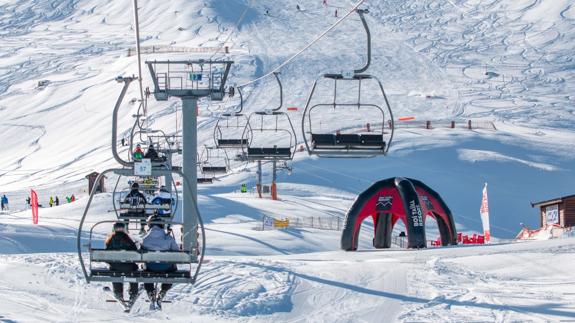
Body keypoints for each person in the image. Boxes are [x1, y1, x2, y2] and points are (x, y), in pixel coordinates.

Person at [142, 215, 179, 308]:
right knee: (172, 270)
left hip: (150, 268)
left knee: (145, 270)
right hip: (166, 268)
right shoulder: (168, 239)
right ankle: (163, 292)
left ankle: (150, 293)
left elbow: (140, 252)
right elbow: (177, 252)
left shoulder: (145, 239)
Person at [105, 222, 140, 303]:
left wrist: (112, 262)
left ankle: (118, 293)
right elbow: (135, 254)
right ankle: (133, 292)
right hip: (129, 267)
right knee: (133, 272)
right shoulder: (128, 240)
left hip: (115, 267)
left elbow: (106, 255)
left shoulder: (110, 240)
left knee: (115, 272)